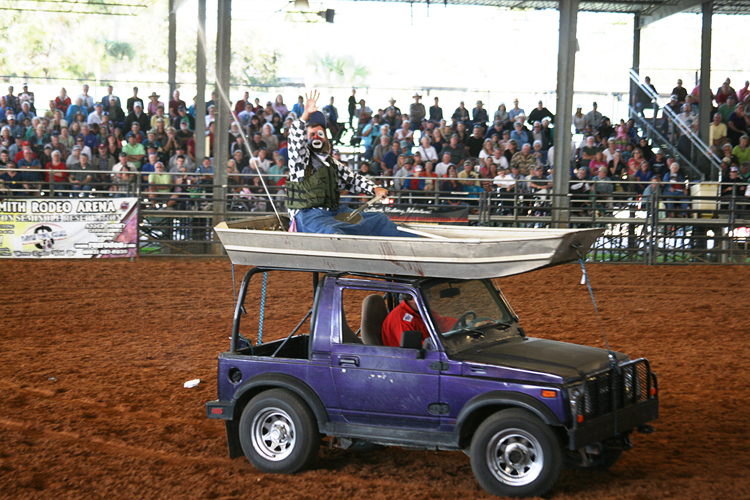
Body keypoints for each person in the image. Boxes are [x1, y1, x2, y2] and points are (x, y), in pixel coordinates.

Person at [285, 90, 410, 237]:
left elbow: (353, 179)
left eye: (320, 134)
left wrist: (374, 189)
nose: (316, 137)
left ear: (326, 139)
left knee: (379, 220)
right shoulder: (300, 160)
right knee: (332, 233)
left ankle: (413, 246)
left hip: (334, 212)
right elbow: (295, 140)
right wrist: (305, 115)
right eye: (311, 134)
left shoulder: (332, 164)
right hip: (307, 215)